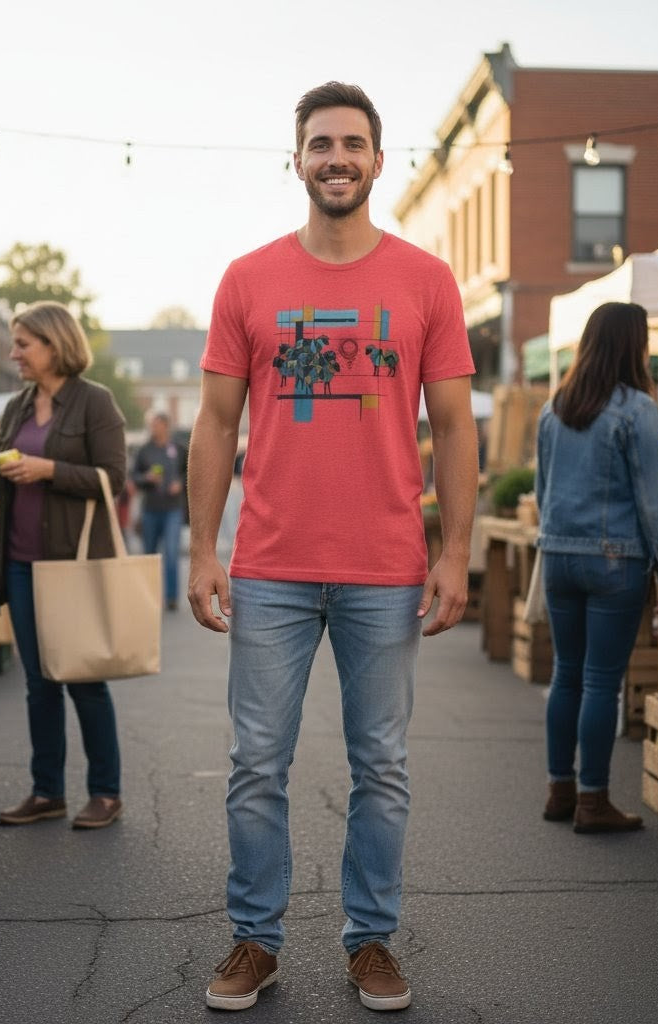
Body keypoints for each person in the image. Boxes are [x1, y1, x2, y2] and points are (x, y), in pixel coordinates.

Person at [187, 82, 478, 1013]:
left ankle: (371, 941)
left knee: (381, 765)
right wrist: (202, 547)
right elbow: (212, 423)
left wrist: (456, 549)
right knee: (255, 763)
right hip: (269, 562)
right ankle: (254, 940)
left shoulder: (427, 281)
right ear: (298, 159)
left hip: (386, 566)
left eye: (353, 143)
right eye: (321, 143)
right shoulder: (248, 278)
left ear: (378, 162)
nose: (337, 157)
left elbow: (459, 427)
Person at [0, 301, 128, 831]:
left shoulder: (95, 403)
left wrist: (50, 469)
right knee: (39, 682)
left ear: (54, 345)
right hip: (22, 564)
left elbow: (113, 479)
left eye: (23, 344)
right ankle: (47, 790)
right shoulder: (17, 407)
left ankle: (105, 792)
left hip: (71, 564)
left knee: (84, 678)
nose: (15, 354)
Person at [536, 301, 658, 834]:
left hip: (558, 556)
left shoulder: (554, 408)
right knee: (601, 682)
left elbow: (542, 491)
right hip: (614, 559)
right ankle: (593, 802)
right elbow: (653, 501)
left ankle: (560, 789)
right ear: (631, 345)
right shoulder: (637, 409)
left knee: (565, 676)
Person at [132, 410, 188, 610]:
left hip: (173, 509)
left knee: (172, 554)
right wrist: (146, 478)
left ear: (165, 426)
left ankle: (172, 598)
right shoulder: (144, 450)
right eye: (151, 425)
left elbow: (189, 472)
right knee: (149, 555)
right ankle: (150, 596)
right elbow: (134, 477)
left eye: (156, 424)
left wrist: (180, 484)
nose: (153, 428)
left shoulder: (179, 449)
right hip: (150, 510)